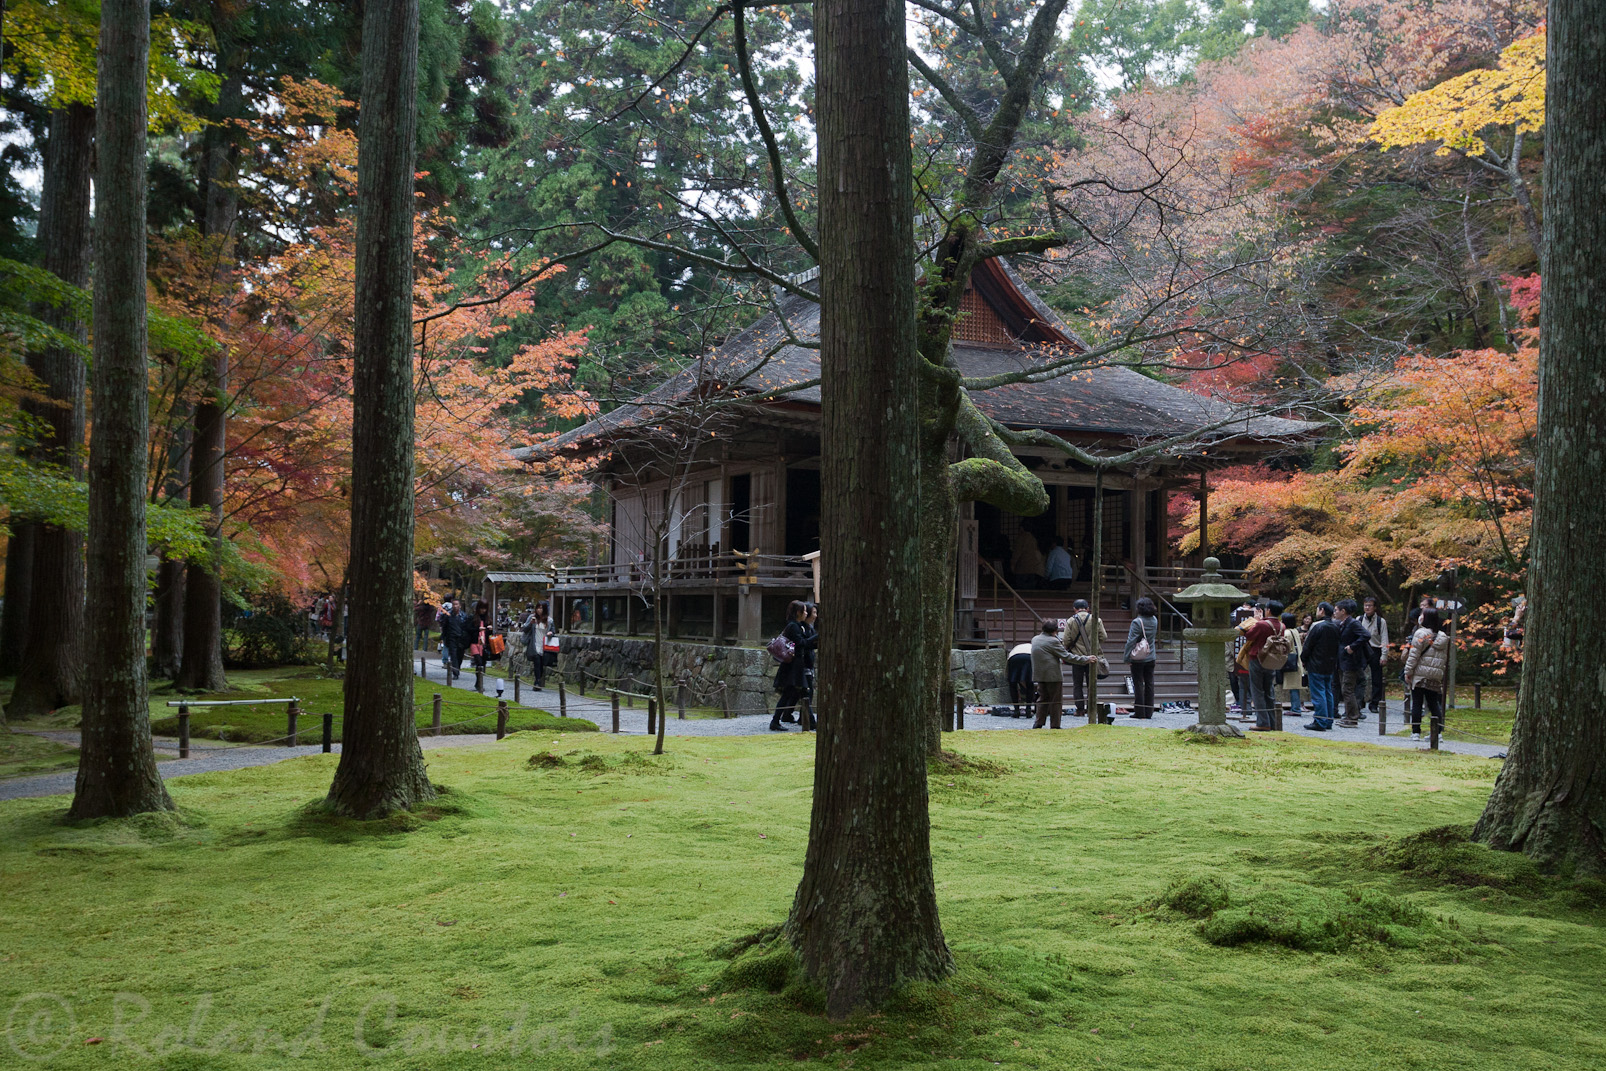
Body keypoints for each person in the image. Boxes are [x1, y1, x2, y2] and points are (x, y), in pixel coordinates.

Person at [1236, 599, 1287, 731]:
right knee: (1269, 690)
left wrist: (1255, 620)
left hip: (1257, 658)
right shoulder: (1282, 626)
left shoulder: (1262, 625)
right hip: (1272, 661)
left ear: (1268, 610)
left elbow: (1249, 635)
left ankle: (1263, 722)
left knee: (1257, 691)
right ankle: (1272, 721)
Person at [1403, 608, 1451, 741]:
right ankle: (1438, 732)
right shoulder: (1443, 636)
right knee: (1433, 704)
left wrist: (1408, 672)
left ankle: (1415, 732)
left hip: (1420, 674)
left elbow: (1414, 655)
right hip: (1435, 674)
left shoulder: (1420, 633)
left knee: (1417, 702)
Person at [770, 600, 818, 731]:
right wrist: (815, 638)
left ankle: (777, 720)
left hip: (795, 666)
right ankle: (810, 722)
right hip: (794, 666)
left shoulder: (797, 625)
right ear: (798, 613)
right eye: (805, 611)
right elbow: (800, 643)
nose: (806, 613)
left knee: (794, 693)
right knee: (800, 693)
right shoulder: (794, 626)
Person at [1059, 599, 1107, 717]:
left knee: (1077, 684)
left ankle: (1080, 709)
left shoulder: (1070, 621)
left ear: (1075, 609)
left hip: (1077, 657)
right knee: (1092, 684)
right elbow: (1104, 637)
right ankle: (1092, 709)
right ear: (1087, 608)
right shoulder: (1096, 619)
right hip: (1093, 656)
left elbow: (1066, 640)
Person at [1030, 620, 1077, 728]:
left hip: (1040, 674)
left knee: (1042, 699)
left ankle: (1038, 722)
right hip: (1053, 676)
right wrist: (1086, 659)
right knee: (1056, 701)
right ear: (1055, 630)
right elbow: (1067, 656)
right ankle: (1055, 725)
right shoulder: (1053, 641)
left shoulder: (1035, 639)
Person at [1301, 602, 1341, 731]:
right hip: (1330, 664)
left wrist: (1303, 659)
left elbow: (1308, 645)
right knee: (1328, 692)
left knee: (1318, 693)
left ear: (1322, 610)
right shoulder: (1336, 626)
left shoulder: (1317, 626)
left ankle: (1320, 720)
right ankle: (1328, 720)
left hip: (1316, 663)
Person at [1335, 598, 1370, 727]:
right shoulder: (1343, 623)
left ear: (1343, 611)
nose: (1335, 613)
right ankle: (1349, 716)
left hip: (1351, 661)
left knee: (1347, 689)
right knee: (1346, 690)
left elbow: (1366, 635)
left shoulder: (1353, 623)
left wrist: (1352, 647)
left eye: (1336, 610)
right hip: (1343, 660)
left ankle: (1353, 717)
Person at [1125, 597, 1159, 719]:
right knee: (1150, 683)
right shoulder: (1154, 620)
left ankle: (1140, 711)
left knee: (1138, 683)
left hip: (1138, 657)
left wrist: (1127, 657)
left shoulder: (1137, 622)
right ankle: (1149, 711)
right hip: (1151, 655)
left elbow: (1131, 641)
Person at [1361, 596, 1390, 714]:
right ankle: (1359, 701)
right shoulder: (1358, 619)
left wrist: (1384, 655)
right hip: (1362, 650)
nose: (1367, 607)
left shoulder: (1380, 621)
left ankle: (1374, 703)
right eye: (1365, 605)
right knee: (1359, 676)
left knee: (1376, 678)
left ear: (1375, 607)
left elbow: (1384, 639)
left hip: (1375, 650)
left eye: (1370, 605)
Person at [1276, 611, 1304, 717]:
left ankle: (1296, 708)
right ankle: (1296, 707)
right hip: (1298, 660)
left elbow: (1284, 648)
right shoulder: (1295, 631)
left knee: (1293, 686)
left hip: (1291, 662)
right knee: (1295, 686)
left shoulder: (1287, 633)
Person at [523, 603, 550, 689]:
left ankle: (538, 680)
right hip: (535, 644)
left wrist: (551, 633)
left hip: (544, 644)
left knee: (541, 664)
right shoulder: (532, 617)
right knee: (537, 662)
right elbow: (525, 629)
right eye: (538, 608)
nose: (539, 610)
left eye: (541, 608)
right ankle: (537, 681)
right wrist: (531, 623)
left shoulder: (549, 620)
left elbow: (553, 630)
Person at [1006, 640, 1035, 718]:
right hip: (1029, 656)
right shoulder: (1034, 647)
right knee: (1029, 683)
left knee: (1013, 684)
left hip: (1014, 657)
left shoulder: (1016, 648)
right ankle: (1028, 710)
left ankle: (1016, 710)